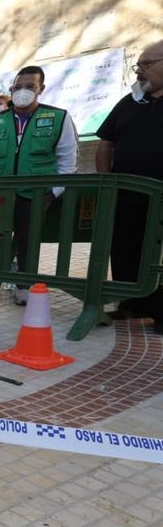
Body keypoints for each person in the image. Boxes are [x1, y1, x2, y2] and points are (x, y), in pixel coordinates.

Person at [0, 65, 78, 306]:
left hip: (36, 194)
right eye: (17, 87)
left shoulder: (58, 118)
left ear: (41, 89)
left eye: (30, 87)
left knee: (28, 240)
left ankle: (23, 285)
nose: (22, 91)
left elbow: (67, 160)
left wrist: (53, 192)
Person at [96, 40, 163, 334]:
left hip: (160, 196)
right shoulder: (129, 102)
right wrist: (106, 181)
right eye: (138, 66)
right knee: (124, 247)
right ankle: (134, 303)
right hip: (125, 193)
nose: (139, 71)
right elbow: (106, 142)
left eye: (146, 65)